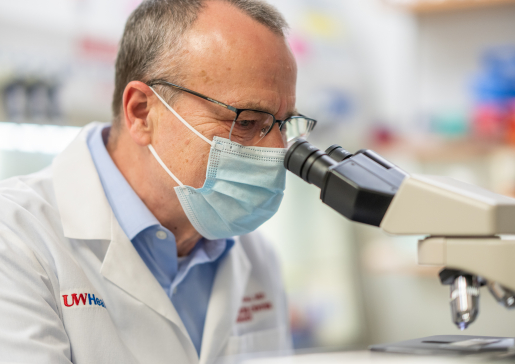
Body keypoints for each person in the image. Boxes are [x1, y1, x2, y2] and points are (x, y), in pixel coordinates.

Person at [0, 0, 316, 363]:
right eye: (245, 122)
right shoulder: (15, 241)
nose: (277, 151)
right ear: (141, 112)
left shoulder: (253, 254)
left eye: (282, 124)